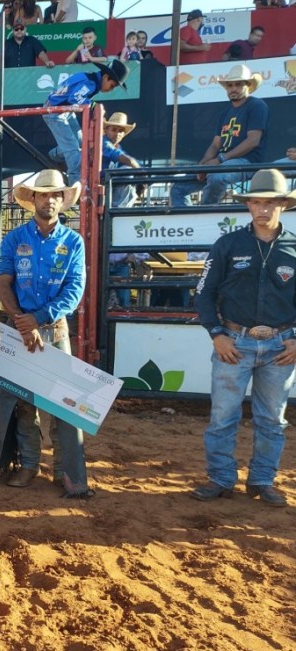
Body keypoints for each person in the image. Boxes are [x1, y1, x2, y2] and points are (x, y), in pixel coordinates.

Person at [191, 169, 296, 508]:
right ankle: (221, 478)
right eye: (255, 202)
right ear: (248, 204)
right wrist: (216, 334)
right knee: (223, 415)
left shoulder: (295, 247)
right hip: (233, 343)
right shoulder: (228, 244)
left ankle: (263, 480)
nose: (262, 209)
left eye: (269, 203)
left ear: (283, 205)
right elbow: (203, 293)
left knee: (272, 419)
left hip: (281, 346)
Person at [0, 170, 92, 498]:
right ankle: (30, 464)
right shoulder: (14, 238)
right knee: (22, 403)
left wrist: (34, 319)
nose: (49, 200)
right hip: (19, 327)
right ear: (32, 198)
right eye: (44, 194)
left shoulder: (73, 242)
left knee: (64, 405)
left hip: (53, 329)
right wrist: (22, 320)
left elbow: (74, 291)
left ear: (63, 200)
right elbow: (3, 281)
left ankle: (64, 470)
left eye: (55, 195)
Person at [170, 65, 268, 208]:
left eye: (238, 84)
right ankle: (189, 221)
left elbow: (253, 141)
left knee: (217, 177)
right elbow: (216, 144)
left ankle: (206, 214)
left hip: (247, 162)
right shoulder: (225, 111)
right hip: (222, 162)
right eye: (230, 85)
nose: (233, 88)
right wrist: (202, 165)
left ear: (248, 85)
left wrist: (220, 160)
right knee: (177, 188)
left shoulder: (257, 105)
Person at [43, 60, 129, 186]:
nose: (111, 89)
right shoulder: (91, 83)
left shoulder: (90, 78)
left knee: (80, 141)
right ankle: (76, 186)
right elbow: (75, 98)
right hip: (54, 112)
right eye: (112, 85)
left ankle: (55, 154)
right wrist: (94, 106)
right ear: (105, 77)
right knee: (73, 150)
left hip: (63, 109)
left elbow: (74, 98)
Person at [102, 112, 141, 208]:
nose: (117, 134)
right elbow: (129, 161)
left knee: (130, 173)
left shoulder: (118, 147)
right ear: (106, 130)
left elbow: (134, 162)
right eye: (114, 130)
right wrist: (142, 174)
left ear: (124, 134)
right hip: (99, 185)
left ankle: (120, 211)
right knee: (127, 171)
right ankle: (117, 211)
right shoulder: (102, 143)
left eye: (121, 131)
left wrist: (142, 176)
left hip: (109, 185)